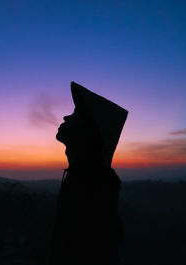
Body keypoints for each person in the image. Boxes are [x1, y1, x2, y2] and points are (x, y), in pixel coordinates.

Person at [50, 82, 128, 265]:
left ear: (89, 132)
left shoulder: (92, 185)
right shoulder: (89, 178)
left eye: (76, 115)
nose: (65, 117)